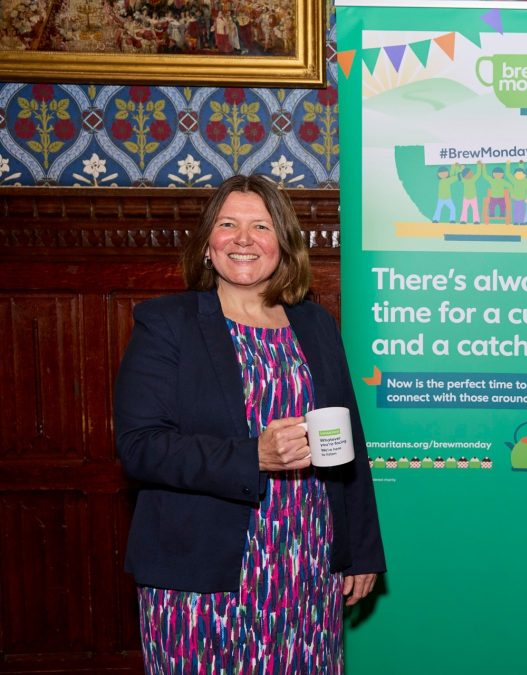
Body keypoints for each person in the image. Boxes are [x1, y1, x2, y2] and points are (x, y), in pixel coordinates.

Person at [115, 174, 385, 673]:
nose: (243, 238)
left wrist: (363, 551)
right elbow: (141, 446)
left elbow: (348, 442)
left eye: (261, 225)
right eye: (228, 224)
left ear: (283, 244)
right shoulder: (166, 323)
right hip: (199, 568)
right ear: (206, 245)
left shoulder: (315, 324)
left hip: (305, 562)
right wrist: (252, 455)